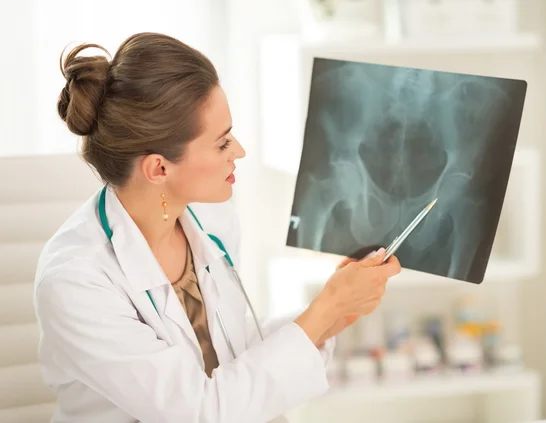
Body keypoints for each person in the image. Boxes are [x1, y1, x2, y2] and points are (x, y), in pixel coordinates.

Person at [33, 32, 402, 423]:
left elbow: (229, 349)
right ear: (159, 168)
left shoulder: (211, 220)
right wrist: (327, 307)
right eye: (222, 143)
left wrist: (331, 315)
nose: (239, 151)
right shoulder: (75, 281)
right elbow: (198, 411)